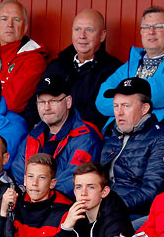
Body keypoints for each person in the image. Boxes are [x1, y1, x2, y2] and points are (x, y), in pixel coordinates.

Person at [95, 7, 164, 123]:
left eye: (159, 26)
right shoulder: (131, 65)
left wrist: (121, 103)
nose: (151, 31)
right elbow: (102, 100)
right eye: (146, 27)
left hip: (157, 133)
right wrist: (136, 104)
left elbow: (161, 92)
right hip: (117, 135)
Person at [12, 72, 103, 201]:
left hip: (65, 207)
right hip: (31, 204)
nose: (47, 107)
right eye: (42, 102)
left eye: (53, 101)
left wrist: (40, 196)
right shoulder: (33, 135)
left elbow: (74, 180)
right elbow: (18, 172)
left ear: (68, 102)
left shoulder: (85, 138)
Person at [97, 77, 164, 216]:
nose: (119, 112)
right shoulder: (114, 137)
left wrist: (113, 207)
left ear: (144, 108)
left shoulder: (161, 139)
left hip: (134, 215)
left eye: (126, 106)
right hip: (104, 209)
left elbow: (153, 190)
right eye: (116, 106)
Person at [46, 8, 124, 132]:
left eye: (89, 30)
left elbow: (102, 113)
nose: (82, 36)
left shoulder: (114, 69)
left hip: (87, 136)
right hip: (50, 131)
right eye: (77, 29)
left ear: (102, 36)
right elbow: (37, 100)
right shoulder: (57, 65)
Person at [52, 162, 134, 237]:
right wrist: (66, 229)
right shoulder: (75, 215)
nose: (83, 193)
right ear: (74, 191)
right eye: (79, 187)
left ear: (104, 191)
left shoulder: (115, 215)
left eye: (91, 187)